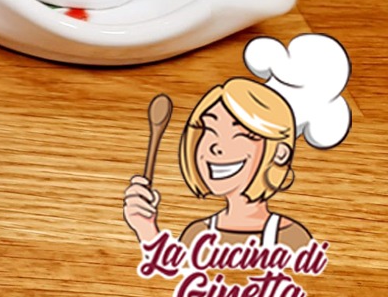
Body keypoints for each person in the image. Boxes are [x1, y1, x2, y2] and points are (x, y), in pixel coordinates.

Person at [124, 77, 312, 250]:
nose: (216, 146)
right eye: (209, 129)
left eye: (241, 134)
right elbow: (174, 280)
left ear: (280, 153)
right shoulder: (197, 234)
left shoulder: (291, 238)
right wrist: (146, 228)